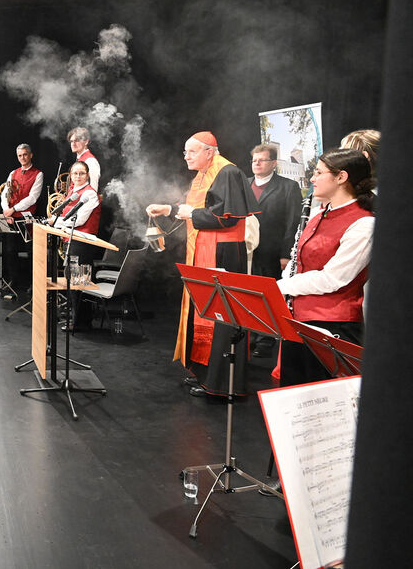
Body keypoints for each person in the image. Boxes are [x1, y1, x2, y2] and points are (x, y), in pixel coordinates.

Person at [146, 131, 258, 398]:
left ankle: (221, 384)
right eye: (185, 152)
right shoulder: (203, 174)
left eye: (192, 152)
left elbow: (227, 217)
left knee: (221, 315)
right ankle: (205, 374)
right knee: (203, 309)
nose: (186, 156)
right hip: (204, 248)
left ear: (209, 152)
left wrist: (192, 213)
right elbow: (196, 208)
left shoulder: (227, 172)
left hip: (222, 252)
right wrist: (168, 209)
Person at [277, 149, 375, 385]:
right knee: (292, 393)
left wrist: (283, 286)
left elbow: (333, 279)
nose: (312, 178)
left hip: (333, 326)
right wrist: (287, 279)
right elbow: (298, 260)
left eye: (319, 173)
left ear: (341, 177)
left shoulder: (364, 223)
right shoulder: (316, 215)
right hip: (297, 321)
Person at [247, 143, 303, 357]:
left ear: (273, 163)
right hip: (246, 251)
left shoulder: (288, 187)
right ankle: (250, 336)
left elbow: (292, 222)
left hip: (272, 252)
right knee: (248, 294)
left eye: (262, 160)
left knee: (267, 296)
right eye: (254, 160)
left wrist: (286, 253)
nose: (257, 164)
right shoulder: (244, 184)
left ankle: (265, 340)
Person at [53, 161, 101, 331]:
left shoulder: (90, 194)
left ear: (87, 175)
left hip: (83, 243)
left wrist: (55, 222)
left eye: (81, 173)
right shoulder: (73, 192)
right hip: (73, 240)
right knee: (73, 282)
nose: (78, 176)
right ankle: (77, 319)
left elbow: (79, 220)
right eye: (75, 173)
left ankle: (81, 322)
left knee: (79, 282)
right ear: (71, 176)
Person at [0, 143, 44, 297]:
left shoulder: (38, 174)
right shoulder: (13, 173)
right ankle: (13, 280)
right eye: (20, 155)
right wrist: (6, 211)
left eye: (25, 154)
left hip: (26, 219)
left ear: (31, 155)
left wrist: (13, 209)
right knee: (10, 251)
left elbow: (33, 198)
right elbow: (5, 193)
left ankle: (33, 282)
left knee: (31, 252)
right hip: (11, 218)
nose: (22, 158)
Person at [67, 126, 101, 191]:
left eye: (76, 141)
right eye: (71, 141)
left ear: (86, 142)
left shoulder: (90, 161)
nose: (73, 144)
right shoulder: (79, 159)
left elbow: (93, 189)